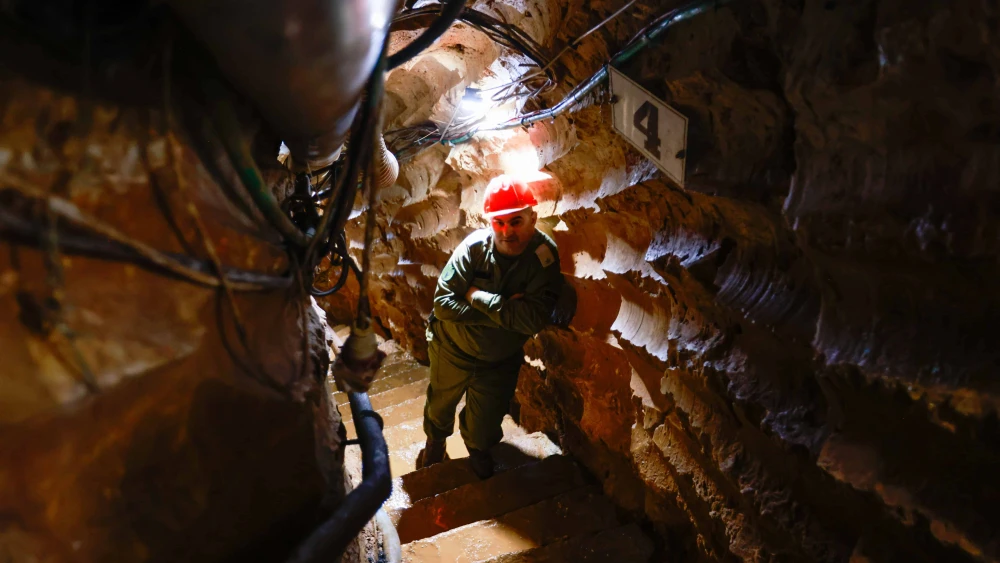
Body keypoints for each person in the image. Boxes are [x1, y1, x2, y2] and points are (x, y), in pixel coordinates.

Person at [417, 174, 562, 478]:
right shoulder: (473, 249)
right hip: (452, 349)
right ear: (490, 222)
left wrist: (477, 297)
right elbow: (443, 305)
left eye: (516, 221)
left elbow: (532, 319)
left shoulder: (543, 257)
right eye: (499, 223)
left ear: (532, 218)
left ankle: (478, 450)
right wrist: (503, 309)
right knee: (440, 405)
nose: (507, 231)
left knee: (486, 423)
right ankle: (435, 443)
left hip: (498, 361)